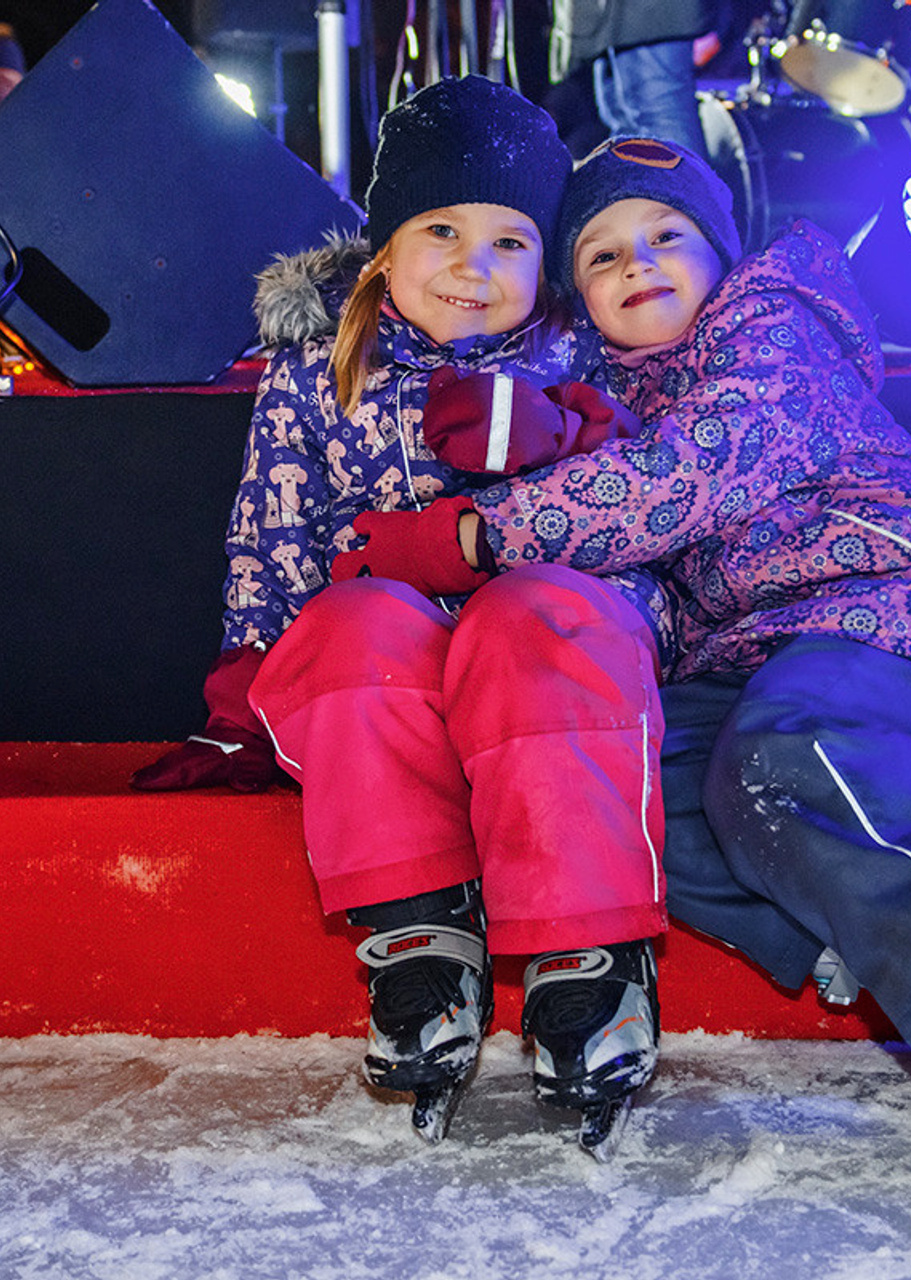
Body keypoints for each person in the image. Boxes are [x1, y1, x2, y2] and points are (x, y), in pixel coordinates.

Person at [391, 136, 911, 1252]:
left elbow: (695, 473)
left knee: (784, 761)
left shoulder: (771, 331)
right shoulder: (602, 410)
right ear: (577, 296)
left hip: (905, 608)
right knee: (618, 789)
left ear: (721, 255)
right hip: (754, 660)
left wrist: (485, 531)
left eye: (667, 234)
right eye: (602, 252)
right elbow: (644, 587)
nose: (640, 261)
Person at [131, 78, 672, 1158]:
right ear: (384, 243)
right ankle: (419, 937)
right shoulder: (319, 364)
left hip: (544, 650)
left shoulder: (573, 361)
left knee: (531, 614)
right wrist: (250, 657)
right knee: (351, 623)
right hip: (397, 664)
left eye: (510, 241)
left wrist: (538, 474)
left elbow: (638, 525)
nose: (475, 267)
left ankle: (589, 956)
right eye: (441, 230)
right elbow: (271, 521)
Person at [548, 0, 715, 159]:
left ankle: (680, 187)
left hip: (648, 15)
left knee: (660, 116)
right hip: (608, 21)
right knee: (622, 123)